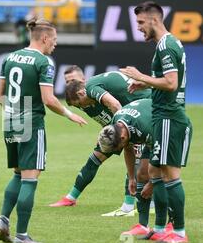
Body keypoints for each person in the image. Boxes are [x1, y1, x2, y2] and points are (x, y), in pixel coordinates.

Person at [0, 19, 87, 243]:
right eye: (54, 40)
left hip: (10, 122)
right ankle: (22, 235)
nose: (55, 45)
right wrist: (69, 113)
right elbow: (48, 99)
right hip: (32, 123)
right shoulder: (44, 62)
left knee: (18, 174)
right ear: (44, 38)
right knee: (30, 179)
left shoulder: (10, 57)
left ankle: (3, 219)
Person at [120, 1, 192, 243]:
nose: (138, 28)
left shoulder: (166, 45)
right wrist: (146, 83)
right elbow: (169, 81)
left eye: (141, 23)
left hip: (171, 117)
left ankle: (179, 232)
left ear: (154, 20)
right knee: (153, 171)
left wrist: (141, 76)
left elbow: (171, 83)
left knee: (170, 174)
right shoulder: (166, 44)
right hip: (163, 115)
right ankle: (160, 228)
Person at [49, 68, 153, 217]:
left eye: (80, 104)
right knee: (96, 157)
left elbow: (116, 106)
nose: (82, 107)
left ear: (81, 91)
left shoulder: (91, 88)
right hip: (124, 122)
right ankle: (71, 198)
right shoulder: (87, 100)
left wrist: (119, 131)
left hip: (143, 115)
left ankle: (129, 207)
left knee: (138, 158)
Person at [97, 98, 174, 239]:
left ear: (122, 137)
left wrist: (152, 184)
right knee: (142, 174)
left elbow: (164, 161)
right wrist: (131, 177)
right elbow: (127, 149)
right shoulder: (116, 123)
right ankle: (143, 226)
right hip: (152, 132)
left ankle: (171, 225)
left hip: (170, 130)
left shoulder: (144, 127)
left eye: (116, 148)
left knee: (167, 176)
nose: (117, 151)